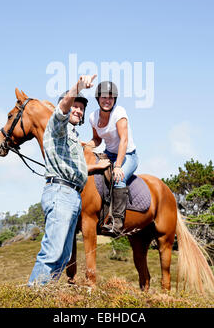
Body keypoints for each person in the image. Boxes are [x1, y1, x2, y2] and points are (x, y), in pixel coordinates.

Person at [28, 74, 96, 286]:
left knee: (63, 257)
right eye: (74, 106)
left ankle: (45, 294)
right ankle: (33, 295)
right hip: (60, 193)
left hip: (72, 194)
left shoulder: (73, 136)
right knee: (52, 252)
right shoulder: (57, 126)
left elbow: (74, 168)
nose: (78, 110)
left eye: (81, 108)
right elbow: (62, 110)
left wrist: (96, 166)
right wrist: (77, 87)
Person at [86, 81, 138, 236]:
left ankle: (117, 222)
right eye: (103, 97)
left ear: (114, 99)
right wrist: (86, 145)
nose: (107, 101)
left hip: (128, 155)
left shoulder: (119, 112)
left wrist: (118, 166)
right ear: (98, 98)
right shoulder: (92, 117)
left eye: (110, 97)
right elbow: (97, 140)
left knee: (119, 178)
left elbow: (124, 140)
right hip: (109, 153)